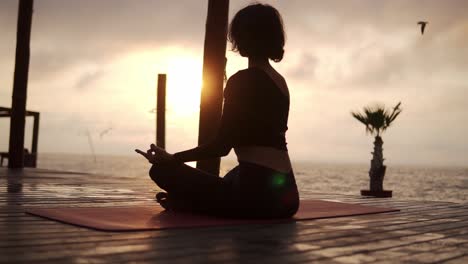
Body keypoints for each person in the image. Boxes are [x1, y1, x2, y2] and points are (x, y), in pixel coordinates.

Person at [136, 3, 299, 219]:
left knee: (160, 171)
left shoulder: (241, 80)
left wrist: (172, 159)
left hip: (258, 197)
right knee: (231, 178)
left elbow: (221, 147)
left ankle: (187, 204)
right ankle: (193, 202)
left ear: (245, 37)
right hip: (286, 197)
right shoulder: (281, 83)